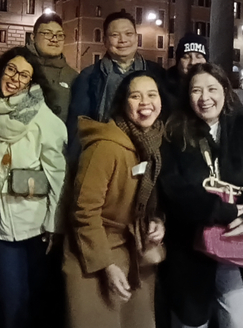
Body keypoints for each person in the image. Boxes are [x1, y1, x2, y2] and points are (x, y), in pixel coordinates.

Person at [158, 63, 243, 328]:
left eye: (212, 89)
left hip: (235, 240)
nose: (205, 98)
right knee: (192, 320)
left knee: (238, 317)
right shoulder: (174, 130)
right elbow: (173, 186)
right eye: (196, 90)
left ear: (225, 91)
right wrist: (218, 210)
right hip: (190, 243)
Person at [63, 70, 167, 328]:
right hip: (95, 252)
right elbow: (84, 211)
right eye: (136, 96)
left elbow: (150, 200)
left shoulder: (153, 143)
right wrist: (106, 264)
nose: (145, 103)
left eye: (152, 95)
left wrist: (157, 221)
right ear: (122, 102)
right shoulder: (105, 146)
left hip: (135, 252)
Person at [0, 46, 68, 328]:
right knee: (8, 300)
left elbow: (57, 173)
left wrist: (54, 223)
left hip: (34, 225)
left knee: (29, 301)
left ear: (32, 81)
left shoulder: (43, 118)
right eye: (11, 70)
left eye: (24, 75)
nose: (15, 79)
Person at [66, 11, 172, 160]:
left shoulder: (156, 73)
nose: (122, 40)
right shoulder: (89, 76)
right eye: (115, 35)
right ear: (105, 40)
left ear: (136, 37)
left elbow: (167, 116)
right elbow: (78, 125)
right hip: (106, 153)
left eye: (128, 34)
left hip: (150, 151)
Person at [24, 13, 79, 122]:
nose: (54, 39)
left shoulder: (73, 77)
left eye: (59, 35)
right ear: (33, 37)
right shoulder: (18, 67)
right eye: (47, 34)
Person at [166, 32, 209, 101]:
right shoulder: (163, 87)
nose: (193, 62)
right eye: (186, 57)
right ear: (178, 62)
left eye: (199, 57)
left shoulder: (215, 83)